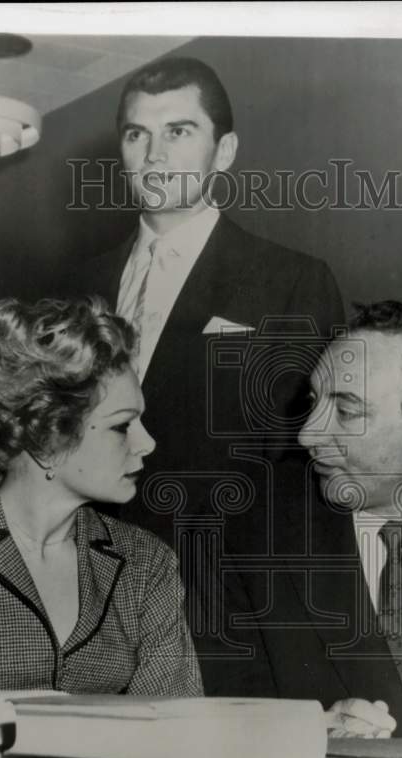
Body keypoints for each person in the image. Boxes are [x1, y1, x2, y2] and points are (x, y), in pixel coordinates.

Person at [0, 296, 202, 699]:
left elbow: (176, 731)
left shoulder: (147, 565)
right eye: (122, 426)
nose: (146, 443)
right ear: (47, 435)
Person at [71, 56, 344, 546]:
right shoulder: (76, 284)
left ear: (224, 151)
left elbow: (294, 463)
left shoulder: (292, 282)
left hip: (213, 576)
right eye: (137, 134)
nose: (154, 155)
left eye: (178, 132)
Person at [208, 301, 402, 737]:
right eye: (314, 401)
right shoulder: (248, 534)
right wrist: (306, 736)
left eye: (347, 411)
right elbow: (224, 726)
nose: (307, 434)